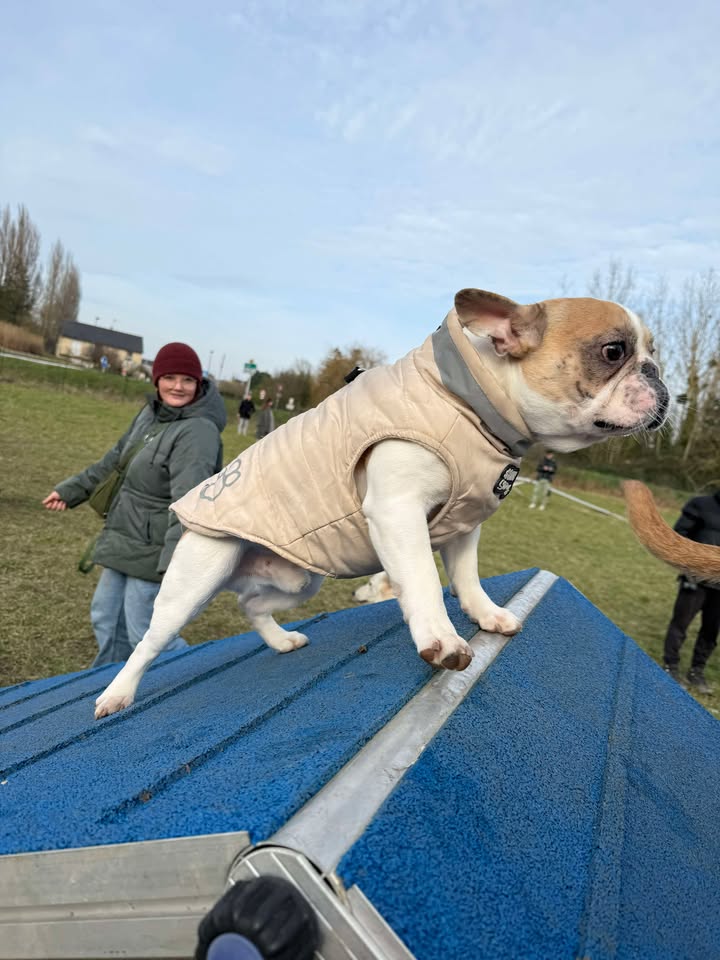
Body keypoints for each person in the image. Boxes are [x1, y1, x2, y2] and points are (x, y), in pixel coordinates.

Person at [42, 342, 227, 667]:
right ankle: (107, 681)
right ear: (157, 380)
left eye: (187, 379)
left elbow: (189, 504)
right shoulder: (151, 413)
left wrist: (176, 565)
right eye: (169, 377)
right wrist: (70, 491)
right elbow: (115, 461)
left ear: (198, 384)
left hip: (156, 550)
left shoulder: (198, 431)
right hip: (124, 534)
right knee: (106, 618)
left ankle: (196, 679)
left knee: (146, 632)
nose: (178, 386)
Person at [662, 489, 720, 693]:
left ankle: (697, 671)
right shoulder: (701, 504)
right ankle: (670, 666)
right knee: (680, 624)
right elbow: (679, 536)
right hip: (695, 579)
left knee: (711, 630)